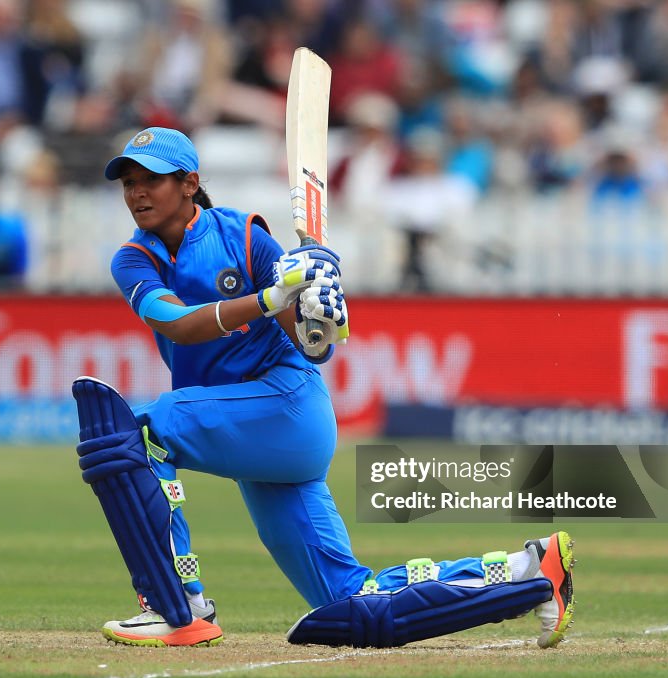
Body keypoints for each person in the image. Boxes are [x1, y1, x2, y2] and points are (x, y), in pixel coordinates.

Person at [80, 127, 576, 649]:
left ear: (188, 183)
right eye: (129, 182)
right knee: (351, 604)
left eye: (150, 181)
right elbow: (179, 323)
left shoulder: (245, 236)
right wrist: (272, 298)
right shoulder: (134, 259)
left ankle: (176, 606)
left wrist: (319, 306)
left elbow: (315, 346)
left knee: (140, 434)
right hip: (252, 432)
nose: (136, 193)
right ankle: (530, 573)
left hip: (286, 405)